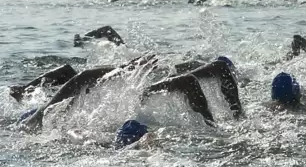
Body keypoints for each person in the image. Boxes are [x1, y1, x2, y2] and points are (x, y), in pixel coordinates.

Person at [19, 55, 241, 131]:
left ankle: (227, 121)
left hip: (134, 85)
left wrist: (126, 69)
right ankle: (214, 126)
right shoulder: (57, 111)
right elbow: (80, 75)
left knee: (214, 69)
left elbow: (76, 74)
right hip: (135, 91)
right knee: (189, 81)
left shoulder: (61, 99)